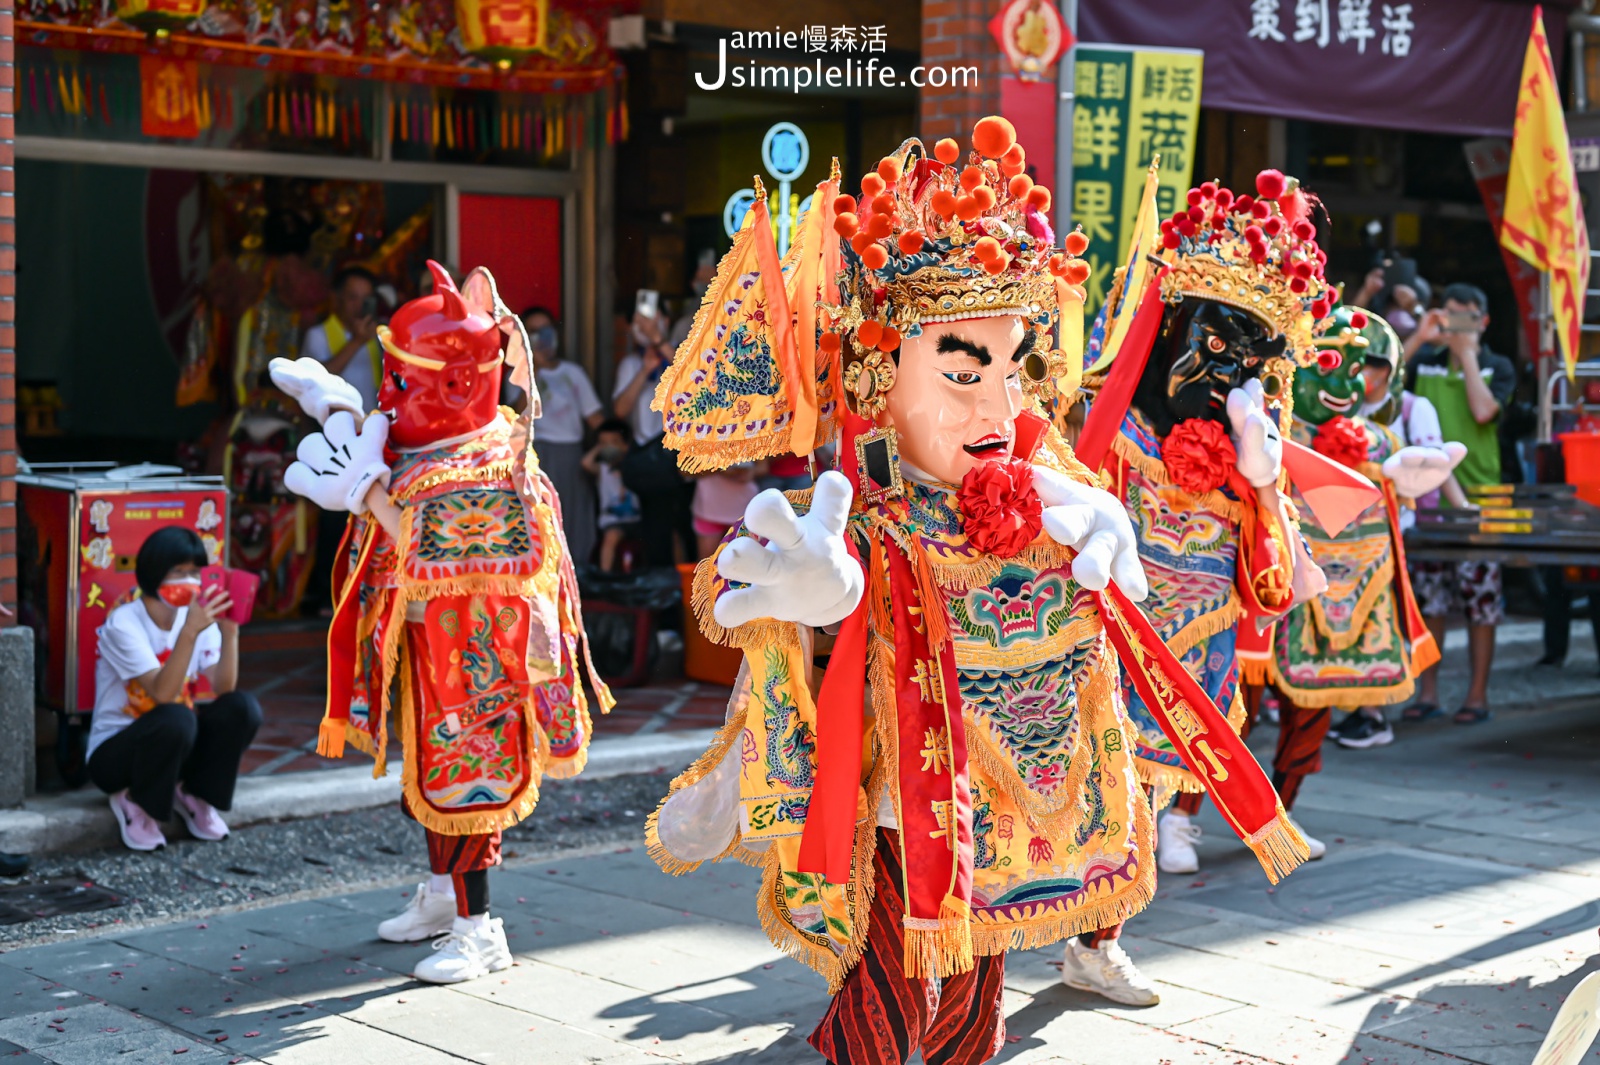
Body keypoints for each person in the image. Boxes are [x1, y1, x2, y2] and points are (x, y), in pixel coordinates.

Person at [645, 119, 1310, 1065]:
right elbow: (734, 592)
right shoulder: (854, 510)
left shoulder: (1045, 488)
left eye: (1013, 370)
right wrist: (819, 593)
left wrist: (1109, 523)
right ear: (881, 372)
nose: (997, 406)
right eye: (962, 375)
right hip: (897, 804)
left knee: (970, 1009)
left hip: (1005, 821)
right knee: (880, 1008)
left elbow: (1175, 559)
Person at [268, 262, 613, 986]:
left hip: (477, 662)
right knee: (427, 782)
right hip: (423, 649)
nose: (388, 398)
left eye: (398, 382)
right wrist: (340, 414)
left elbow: (442, 553)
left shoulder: (492, 462)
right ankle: (439, 896)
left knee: (467, 784)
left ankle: (478, 928)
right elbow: (386, 459)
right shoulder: (431, 445)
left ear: (456, 383)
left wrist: (366, 495)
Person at [1070, 168, 1334, 1003]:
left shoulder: (1249, 444)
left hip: (1196, 655)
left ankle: (1098, 940)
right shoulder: (1111, 425)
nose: (1227, 376)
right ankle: (1016, 928)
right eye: (1214, 348)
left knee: (1142, 799)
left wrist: (1261, 481)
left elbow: (1268, 584)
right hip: (1103, 642)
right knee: (1069, 791)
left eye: (1250, 363)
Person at [1266, 306, 1460, 758]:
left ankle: (1285, 815)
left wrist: (1403, 479)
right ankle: (1182, 818)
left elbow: (1399, 486)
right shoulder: (1272, 430)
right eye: (1327, 367)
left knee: (1310, 721)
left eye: (1357, 372)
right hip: (1280, 583)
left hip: (1363, 580)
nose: (1344, 386)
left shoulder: (1383, 441)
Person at [88, 527, 262, 852]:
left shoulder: (194, 617)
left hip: (175, 745)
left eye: (195, 571)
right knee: (176, 717)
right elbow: (163, 694)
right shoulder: (124, 622)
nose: (190, 580)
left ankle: (196, 793)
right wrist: (190, 633)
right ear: (155, 574)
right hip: (115, 756)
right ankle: (136, 802)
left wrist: (230, 632)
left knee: (242, 707)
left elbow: (224, 687)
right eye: (178, 572)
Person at [1402, 283, 1517, 724]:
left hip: (1482, 500)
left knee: (1480, 603)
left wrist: (1466, 353)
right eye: (1448, 315)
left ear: (1483, 321)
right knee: (1430, 601)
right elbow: (1386, 378)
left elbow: (1485, 411)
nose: (1456, 326)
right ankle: (1427, 693)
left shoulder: (1498, 366)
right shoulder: (1426, 365)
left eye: (1465, 317)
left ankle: (1476, 695)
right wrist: (1421, 335)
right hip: (1431, 500)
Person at [527, 307, 604, 567]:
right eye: (533, 332)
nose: (541, 338)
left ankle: (576, 575)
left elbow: (595, 418)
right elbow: (516, 415)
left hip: (571, 456)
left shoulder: (572, 373)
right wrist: (531, 371)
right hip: (535, 457)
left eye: (545, 331)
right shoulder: (517, 375)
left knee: (572, 518)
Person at [301, 265, 382, 414]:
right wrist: (357, 341)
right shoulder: (317, 335)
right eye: (353, 298)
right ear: (337, 298)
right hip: (335, 426)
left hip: (371, 422)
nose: (360, 306)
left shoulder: (376, 335)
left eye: (366, 299)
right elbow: (317, 381)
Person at [582, 418, 642, 572]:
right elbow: (586, 463)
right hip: (613, 522)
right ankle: (605, 576)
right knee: (611, 538)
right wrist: (599, 448)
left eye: (613, 442)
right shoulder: (602, 469)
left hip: (638, 519)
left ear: (626, 445)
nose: (609, 447)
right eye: (603, 443)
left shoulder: (637, 466)